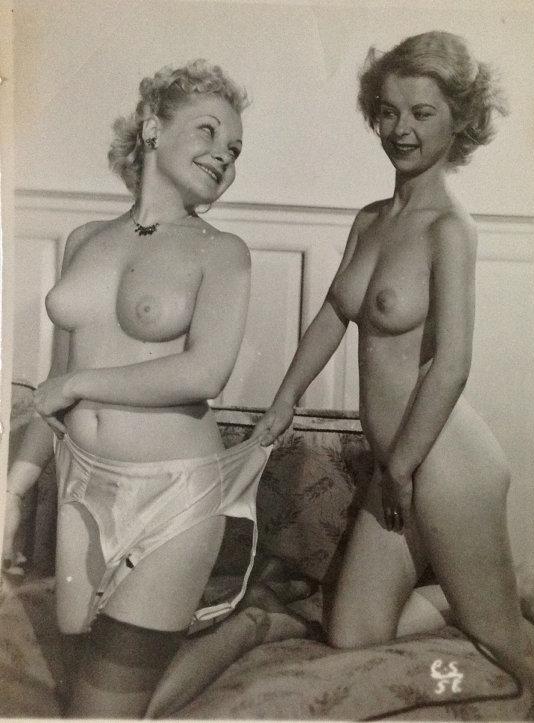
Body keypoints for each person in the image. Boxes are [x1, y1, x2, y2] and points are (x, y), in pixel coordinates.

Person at [254, 31, 534, 718]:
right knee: (352, 632)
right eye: (389, 111)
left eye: (422, 113)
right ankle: (515, 583)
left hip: (445, 463)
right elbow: (334, 314)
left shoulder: (450, 229)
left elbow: (452, 362)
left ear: (459, 120)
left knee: (503, 648)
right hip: (397, 463)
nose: (401, 129)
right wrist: (284, 399)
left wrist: (400, 468)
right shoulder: (370, 220)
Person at [2, 59, 273, 718]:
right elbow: (53, 388)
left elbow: (204, 373)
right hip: (79, 489)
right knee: (79, 690)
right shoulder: (83, 240)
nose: (224, 155)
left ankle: (250, 626)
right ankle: (238, 627)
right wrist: (13, 490)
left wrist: (80, 383)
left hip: (174, 495)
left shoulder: (223, 251)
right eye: (208, 131)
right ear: (153, 129)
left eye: (235, 149)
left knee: (99, 713)